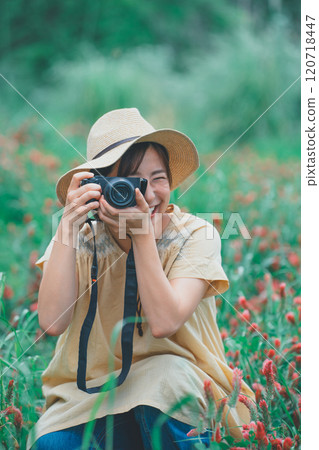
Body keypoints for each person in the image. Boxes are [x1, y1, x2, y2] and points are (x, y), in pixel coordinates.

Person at [27, 108, 254, 450]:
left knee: (165, 379)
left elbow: (164, 321)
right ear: (98, 186)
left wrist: (142, 236)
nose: (146, 194)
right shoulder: (80, 237)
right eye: (130, 181)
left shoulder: (196, 234)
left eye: (158, 178)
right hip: (90, 396)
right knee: (51, 445)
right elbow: (52, 322)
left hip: (178, 390)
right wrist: (67, 228)